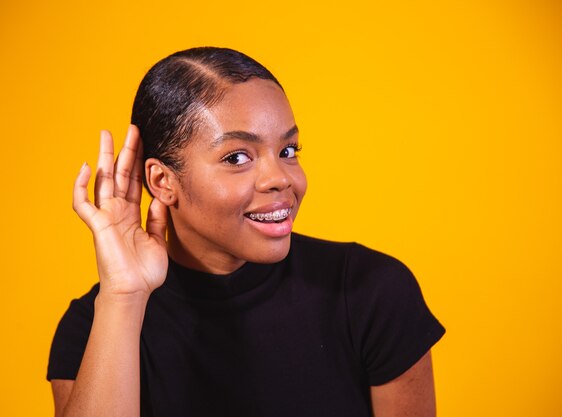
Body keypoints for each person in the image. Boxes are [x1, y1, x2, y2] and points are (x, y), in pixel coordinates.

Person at [47, 47, 445, 417]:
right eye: (237, 157)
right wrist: (123, 296)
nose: (280, 179)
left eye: (288, 151)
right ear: (163, 181)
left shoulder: (370, 291)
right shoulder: (92, 328)